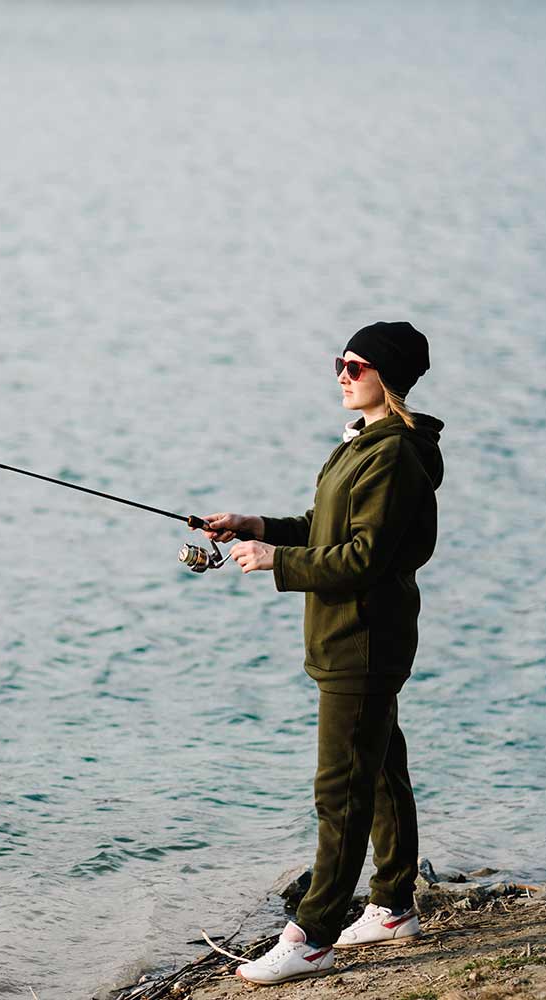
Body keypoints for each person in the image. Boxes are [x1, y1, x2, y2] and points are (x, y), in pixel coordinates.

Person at [198, 321, 445, 985]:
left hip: (361, 642)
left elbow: (363, 558)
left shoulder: (392, 454)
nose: (341, 373)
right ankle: (392, 906)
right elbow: (326, 530)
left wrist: (278, 561)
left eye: (355, 365)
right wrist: (258, 527)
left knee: (341, 792)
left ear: (384, 377)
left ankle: (313, 934)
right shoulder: (366, 444)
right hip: (355, 638)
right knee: (382, 769)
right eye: (340, 361)